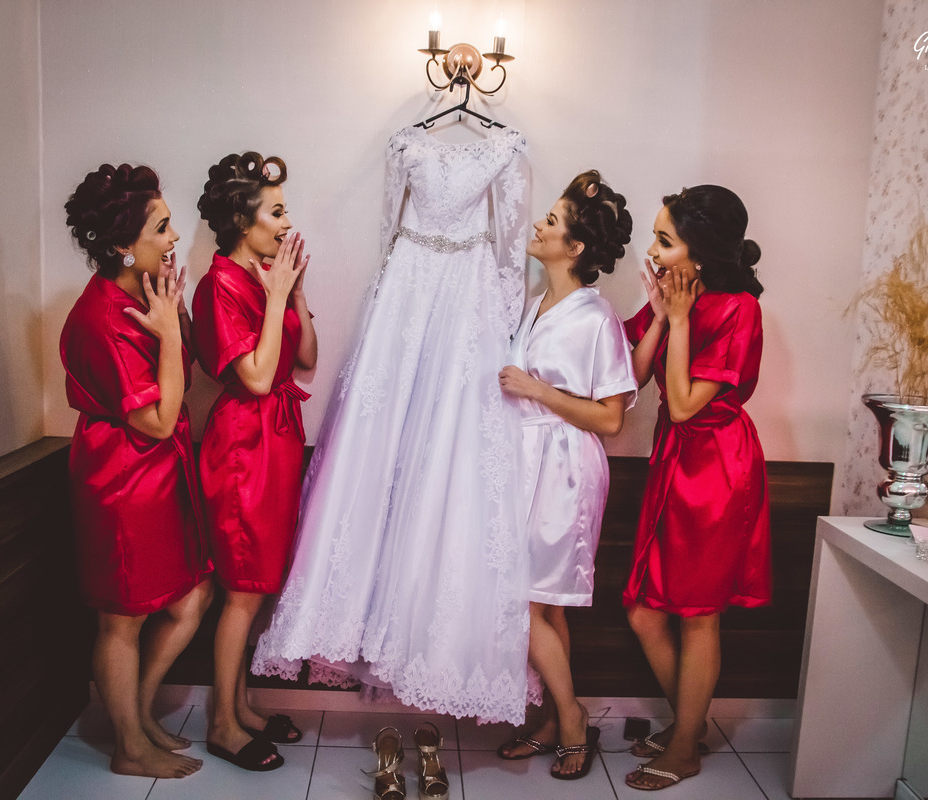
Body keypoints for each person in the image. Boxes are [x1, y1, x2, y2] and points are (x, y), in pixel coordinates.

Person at [251, 124, 534, 725]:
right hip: (418, 287)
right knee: (384, 444)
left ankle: (420, 644)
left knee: (444, 447)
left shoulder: (503, 149)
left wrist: (505, 333)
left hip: (452, 294)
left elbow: (510, 255)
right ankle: (351, 625)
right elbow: (404, 235)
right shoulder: (410, 144)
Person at [60, 163, 214, 779]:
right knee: (121, 618)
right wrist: (170, 337)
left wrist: (175, 320)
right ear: (124, 244)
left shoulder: (142, 293)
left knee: (191, 596)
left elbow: (186, 373)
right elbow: (157, 418)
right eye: (162, 227)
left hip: (160, 476)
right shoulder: (101, 316)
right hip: (122, 480)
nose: (174, 237)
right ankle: (128, 745)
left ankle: (140, 716)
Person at [621, 185, 771, 791]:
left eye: (664, 240)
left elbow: (683, 405)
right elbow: (628, 372)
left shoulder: (739, 309)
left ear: (700, 251)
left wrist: (679, 319)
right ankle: (691, 724)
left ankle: (684, 746)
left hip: (716, 470)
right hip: (672, 463)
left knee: (698, 616)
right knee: (644, 612)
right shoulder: (677, 295)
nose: (652, 251)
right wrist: (661, 313)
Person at [497, 171, 637, 779]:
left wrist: (538, 390)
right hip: (523, 461)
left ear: (575, 247)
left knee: (525, 602)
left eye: (551, 221)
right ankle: (555, 721)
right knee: (547, 607)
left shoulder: (596, 317)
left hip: (565, 470)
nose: (539, 224)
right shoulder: (535, 305)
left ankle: (574, 718)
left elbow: (610, 418)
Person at [192, 152, 316, 772]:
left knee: (259, 584)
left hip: (278, 441)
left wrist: (295, 292)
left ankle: (240, 706)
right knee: (241, 589)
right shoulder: (218, 285)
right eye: (277, 211)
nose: (287, 222)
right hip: (243, 446)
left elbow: (307, 358)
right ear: (243, 221)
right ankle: (222, 724)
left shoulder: (266, 277)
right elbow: (260, 378)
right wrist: (276, 298)